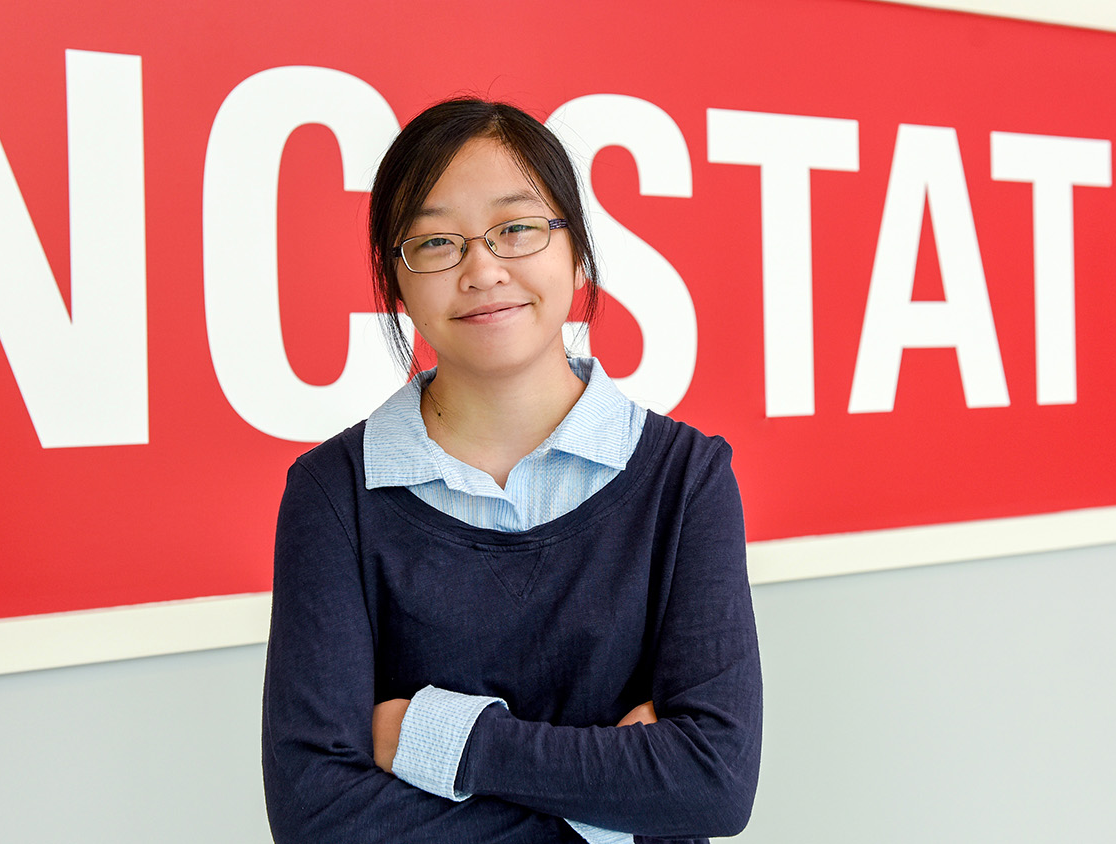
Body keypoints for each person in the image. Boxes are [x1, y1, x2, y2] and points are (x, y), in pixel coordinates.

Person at [261, 97, 762, 844]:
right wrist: (616, 813)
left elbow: (713, 783)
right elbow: (319, 816)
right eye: (435, 242)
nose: (483, 269)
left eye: (517, 228)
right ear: (394, 281)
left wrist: (443, 738)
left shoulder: (684, 480)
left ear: (577, 250)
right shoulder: (336, 495)